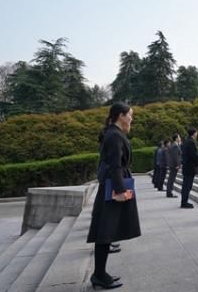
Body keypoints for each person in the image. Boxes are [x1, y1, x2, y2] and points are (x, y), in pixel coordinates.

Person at [87, 102, 141, 290]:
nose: (131, 119)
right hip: (114, 187)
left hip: (112, 185)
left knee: (106, 232)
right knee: (105, 232)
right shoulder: (114, 135)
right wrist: (119, 191)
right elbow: (115, 165)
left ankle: (100, 274)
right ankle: (99, 275)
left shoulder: (112, 134)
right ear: (120, 116)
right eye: (130, 115)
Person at [180, 128, 198, 208]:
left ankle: (184, 201)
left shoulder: (186, 141)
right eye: (196, 133)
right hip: (190, 167)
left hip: (186, 166)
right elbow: (194, 155)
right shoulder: (191, 142)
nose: (197, 134)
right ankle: (184, 202)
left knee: (186, 185)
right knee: (187, 186)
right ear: (194, 133)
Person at [166, 134, 181, 198]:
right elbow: (175, 156)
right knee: (171, 179)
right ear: (176, 138)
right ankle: (169, 193)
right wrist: (177, 164)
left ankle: (169, 192)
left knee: (171, 179)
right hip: (174, 165)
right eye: (179, 137)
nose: (180, 138)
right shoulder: (175, 146)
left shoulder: (174, 145)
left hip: (172, 165)